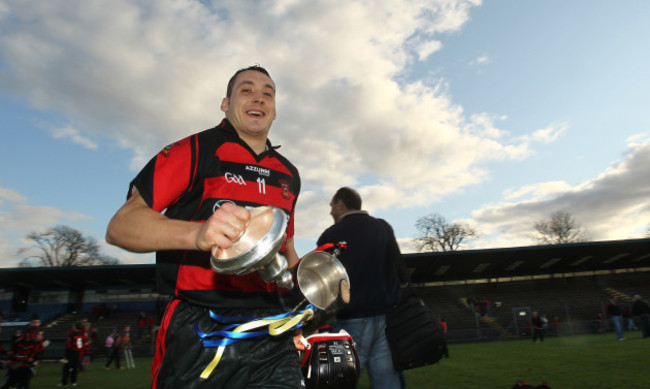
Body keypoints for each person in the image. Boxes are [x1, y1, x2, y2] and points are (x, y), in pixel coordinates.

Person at [106, 65, 303, 388]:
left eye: (268, 93)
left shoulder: (288, 174)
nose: (259, 98)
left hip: (271, 326)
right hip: (200, 326)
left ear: (275, 110)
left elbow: (288, 247)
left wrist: (306, 296)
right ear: (225, 104)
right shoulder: (196, 150)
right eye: (246, 90)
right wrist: (197, 234)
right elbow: (121, 225)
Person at [317, 187, 406, 389]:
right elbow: (398, 267)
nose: (331, 211)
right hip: (387, 320)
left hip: (351, 320)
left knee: (339, 382)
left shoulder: (330, 235)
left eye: (332, 206)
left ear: (340, 205)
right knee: (387, 381)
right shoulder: (383, 227)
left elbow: (323, 281)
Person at [59, 322, 86, 387]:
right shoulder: (82, 335)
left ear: (75, 327)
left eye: (73, 326)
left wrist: (65, 355)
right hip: (78, 353)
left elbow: (69, 346)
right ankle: (73, 382)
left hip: (71, 353)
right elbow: (81, 345)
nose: (72, 326)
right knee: (75, 368)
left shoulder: (72, 335)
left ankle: (64, 383)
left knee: (66, 368)